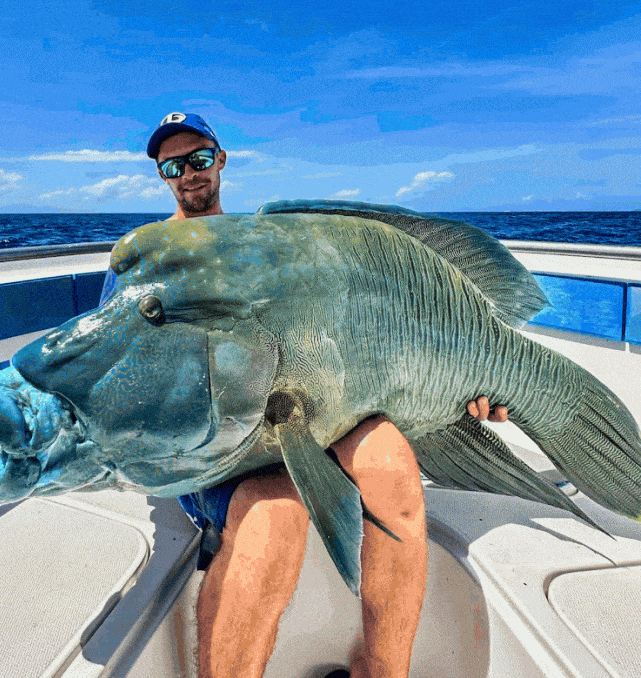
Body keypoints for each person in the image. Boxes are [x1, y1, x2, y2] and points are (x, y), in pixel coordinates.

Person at [140, 112, 508, 678]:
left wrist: (454, 387)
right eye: (173, 165)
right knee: (274, 512)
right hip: (224, 442)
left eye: (199, 158)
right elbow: (129, 371)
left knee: (394, 469)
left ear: (221, 160)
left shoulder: (266, 244)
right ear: (162, 176)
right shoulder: (141, 255)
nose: (188, 173)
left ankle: (381, 671)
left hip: (311, 408)